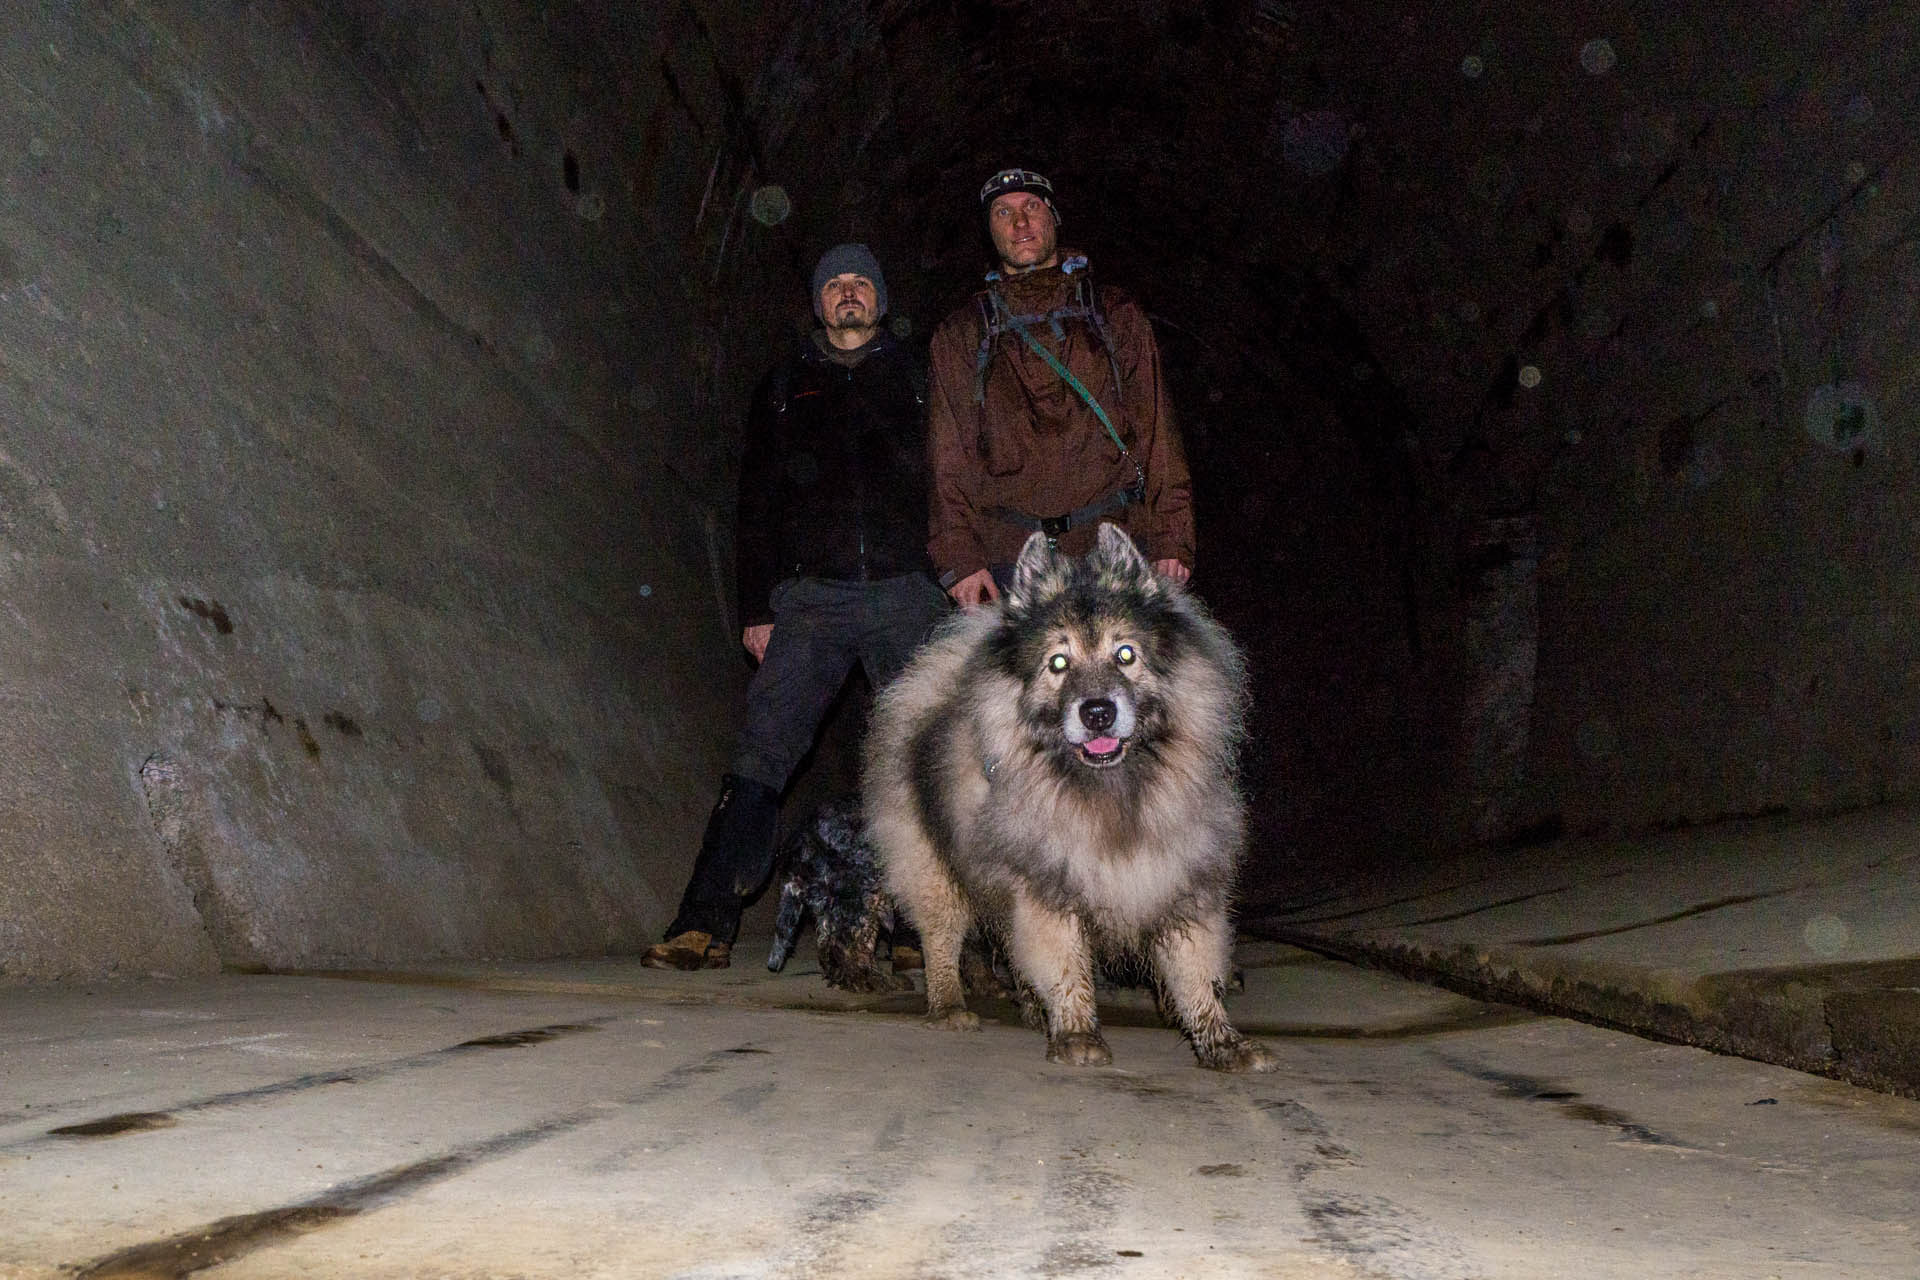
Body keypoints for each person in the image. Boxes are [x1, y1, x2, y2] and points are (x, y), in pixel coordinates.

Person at [643, 244, 950, 971]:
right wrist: (757, 603)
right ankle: (704, 920)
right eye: (834, 286)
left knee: (929, 758)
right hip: (810, 599)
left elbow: (954, 480)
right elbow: (757, 503)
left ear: (879, 298)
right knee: (762, 752)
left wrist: (957, 572)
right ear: (818, 303)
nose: (848, 295)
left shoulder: (919, 379)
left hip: (908, 593)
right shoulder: (784, 387)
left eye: (860, 285)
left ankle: (923, 929)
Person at [926, 167, 1194, 606]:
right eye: (1003, 212)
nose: (1020, 223)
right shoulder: (961, 334)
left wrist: (1172, 538)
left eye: (1032, 207)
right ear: (989, 232)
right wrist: (959, 559)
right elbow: (948, 457)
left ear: (1053, 218)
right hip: (1012, 560)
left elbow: (1158, 432)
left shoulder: (1115, 315)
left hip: (1114, 542)